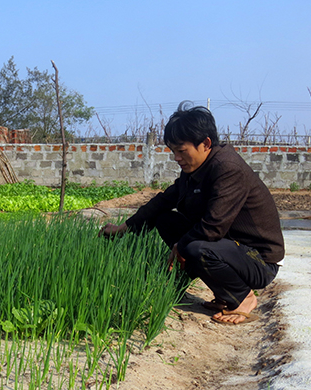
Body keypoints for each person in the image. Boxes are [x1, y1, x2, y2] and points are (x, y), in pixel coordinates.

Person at [100, 101, 284, 325]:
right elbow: (163, 201)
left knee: (195, 246)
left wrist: (181, 244)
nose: (176, 157)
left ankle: (243, 298)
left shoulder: (227, 168)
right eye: (173, 151)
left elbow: (213, 227)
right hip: (231, 248)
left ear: (205, 143)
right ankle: (224, 294)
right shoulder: (195, 168)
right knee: (165, 220)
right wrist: (124, 228)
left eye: (181, 151)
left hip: (258, 260)